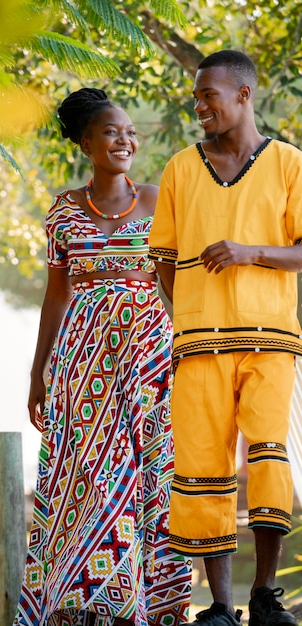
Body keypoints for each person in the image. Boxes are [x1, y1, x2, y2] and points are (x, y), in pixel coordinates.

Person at [13, 87, 192, 626]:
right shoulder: (64, 208)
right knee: (86, 471)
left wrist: (193, 351)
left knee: (150, 473)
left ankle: (147, 604)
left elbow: (173, 284)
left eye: (130, 131)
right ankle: (80, 603)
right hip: (81, 359)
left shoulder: (159, 199)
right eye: (112, 131)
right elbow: (56, 294)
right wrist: (37, 372)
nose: (125, 139)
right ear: (85, 141)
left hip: (147, 356)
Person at [148, 49, 302, 626]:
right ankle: (218, 607)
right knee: (202, 469)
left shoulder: (289, 163)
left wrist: (251, 253)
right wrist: (190, 309)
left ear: (243, 94)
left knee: (267, 459)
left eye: (208, 95)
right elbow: (163, 258)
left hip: (271, 342)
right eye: (195, 97)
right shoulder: (181, 169)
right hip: (198, 345)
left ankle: (264, 597)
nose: (199, 106)